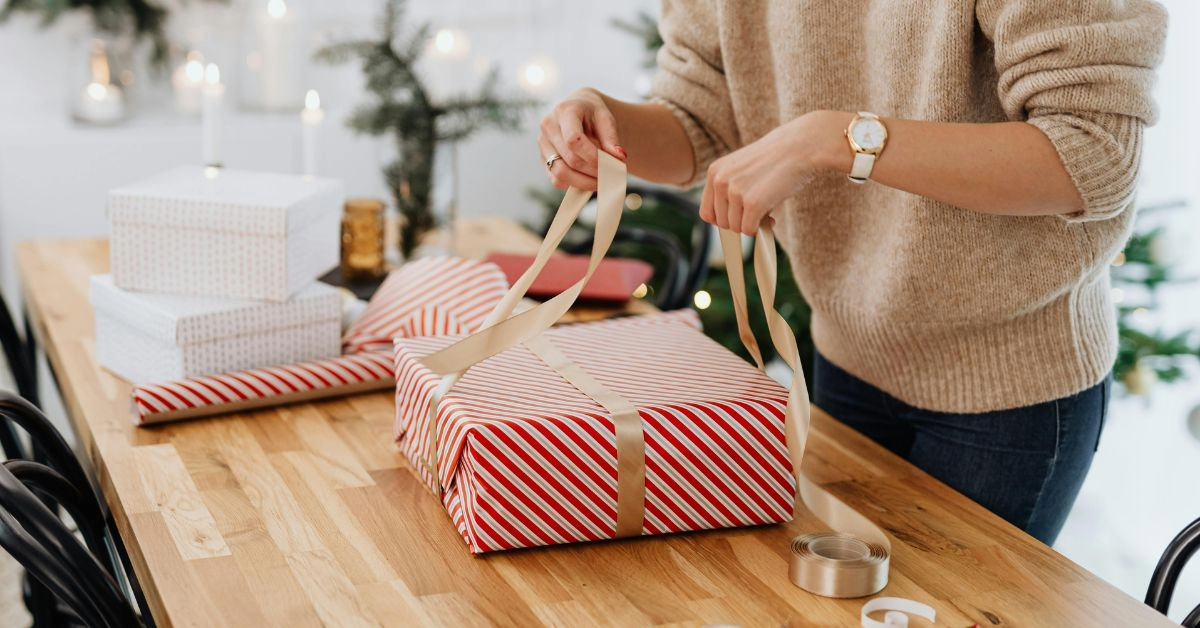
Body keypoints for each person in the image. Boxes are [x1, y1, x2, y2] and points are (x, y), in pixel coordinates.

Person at [537, 0, 1168, 545]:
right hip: (844, 354)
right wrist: (605, 125)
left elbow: (1092, 154)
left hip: (1009, 392)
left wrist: (834, 140)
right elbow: (699, 117)